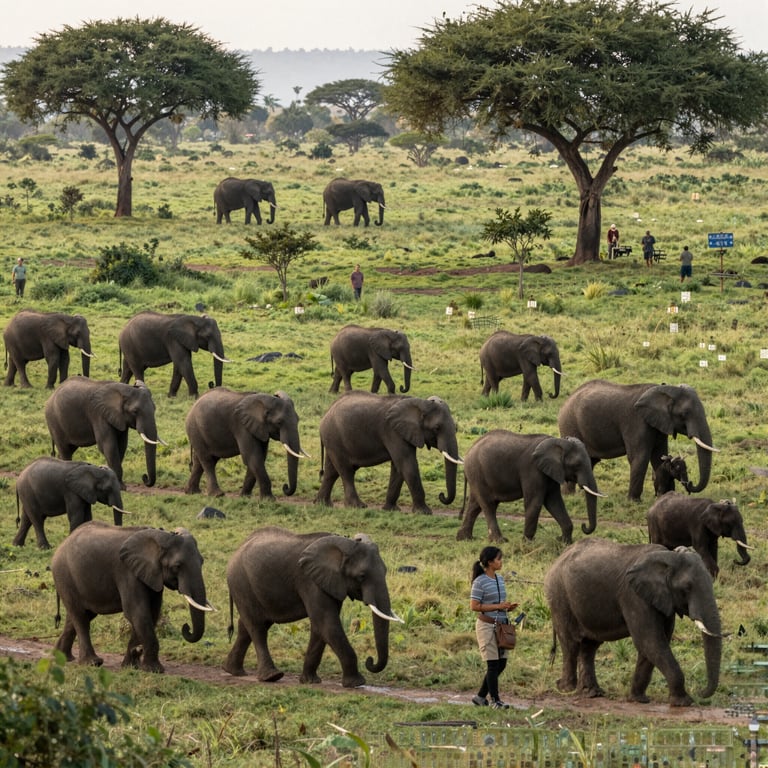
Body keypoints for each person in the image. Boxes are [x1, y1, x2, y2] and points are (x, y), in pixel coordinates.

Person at [469, 546, 518, 709]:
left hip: (500, 627)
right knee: (492, 665)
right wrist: (498, 606)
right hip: (486, 626)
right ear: (490, 562)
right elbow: (474, 606)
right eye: (498, 559)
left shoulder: (500, 579)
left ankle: (480, 697)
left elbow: (496, 605)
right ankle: (495, 701)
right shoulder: (479, 582)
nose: (501, 561)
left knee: (501, 664)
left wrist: (507, 608)